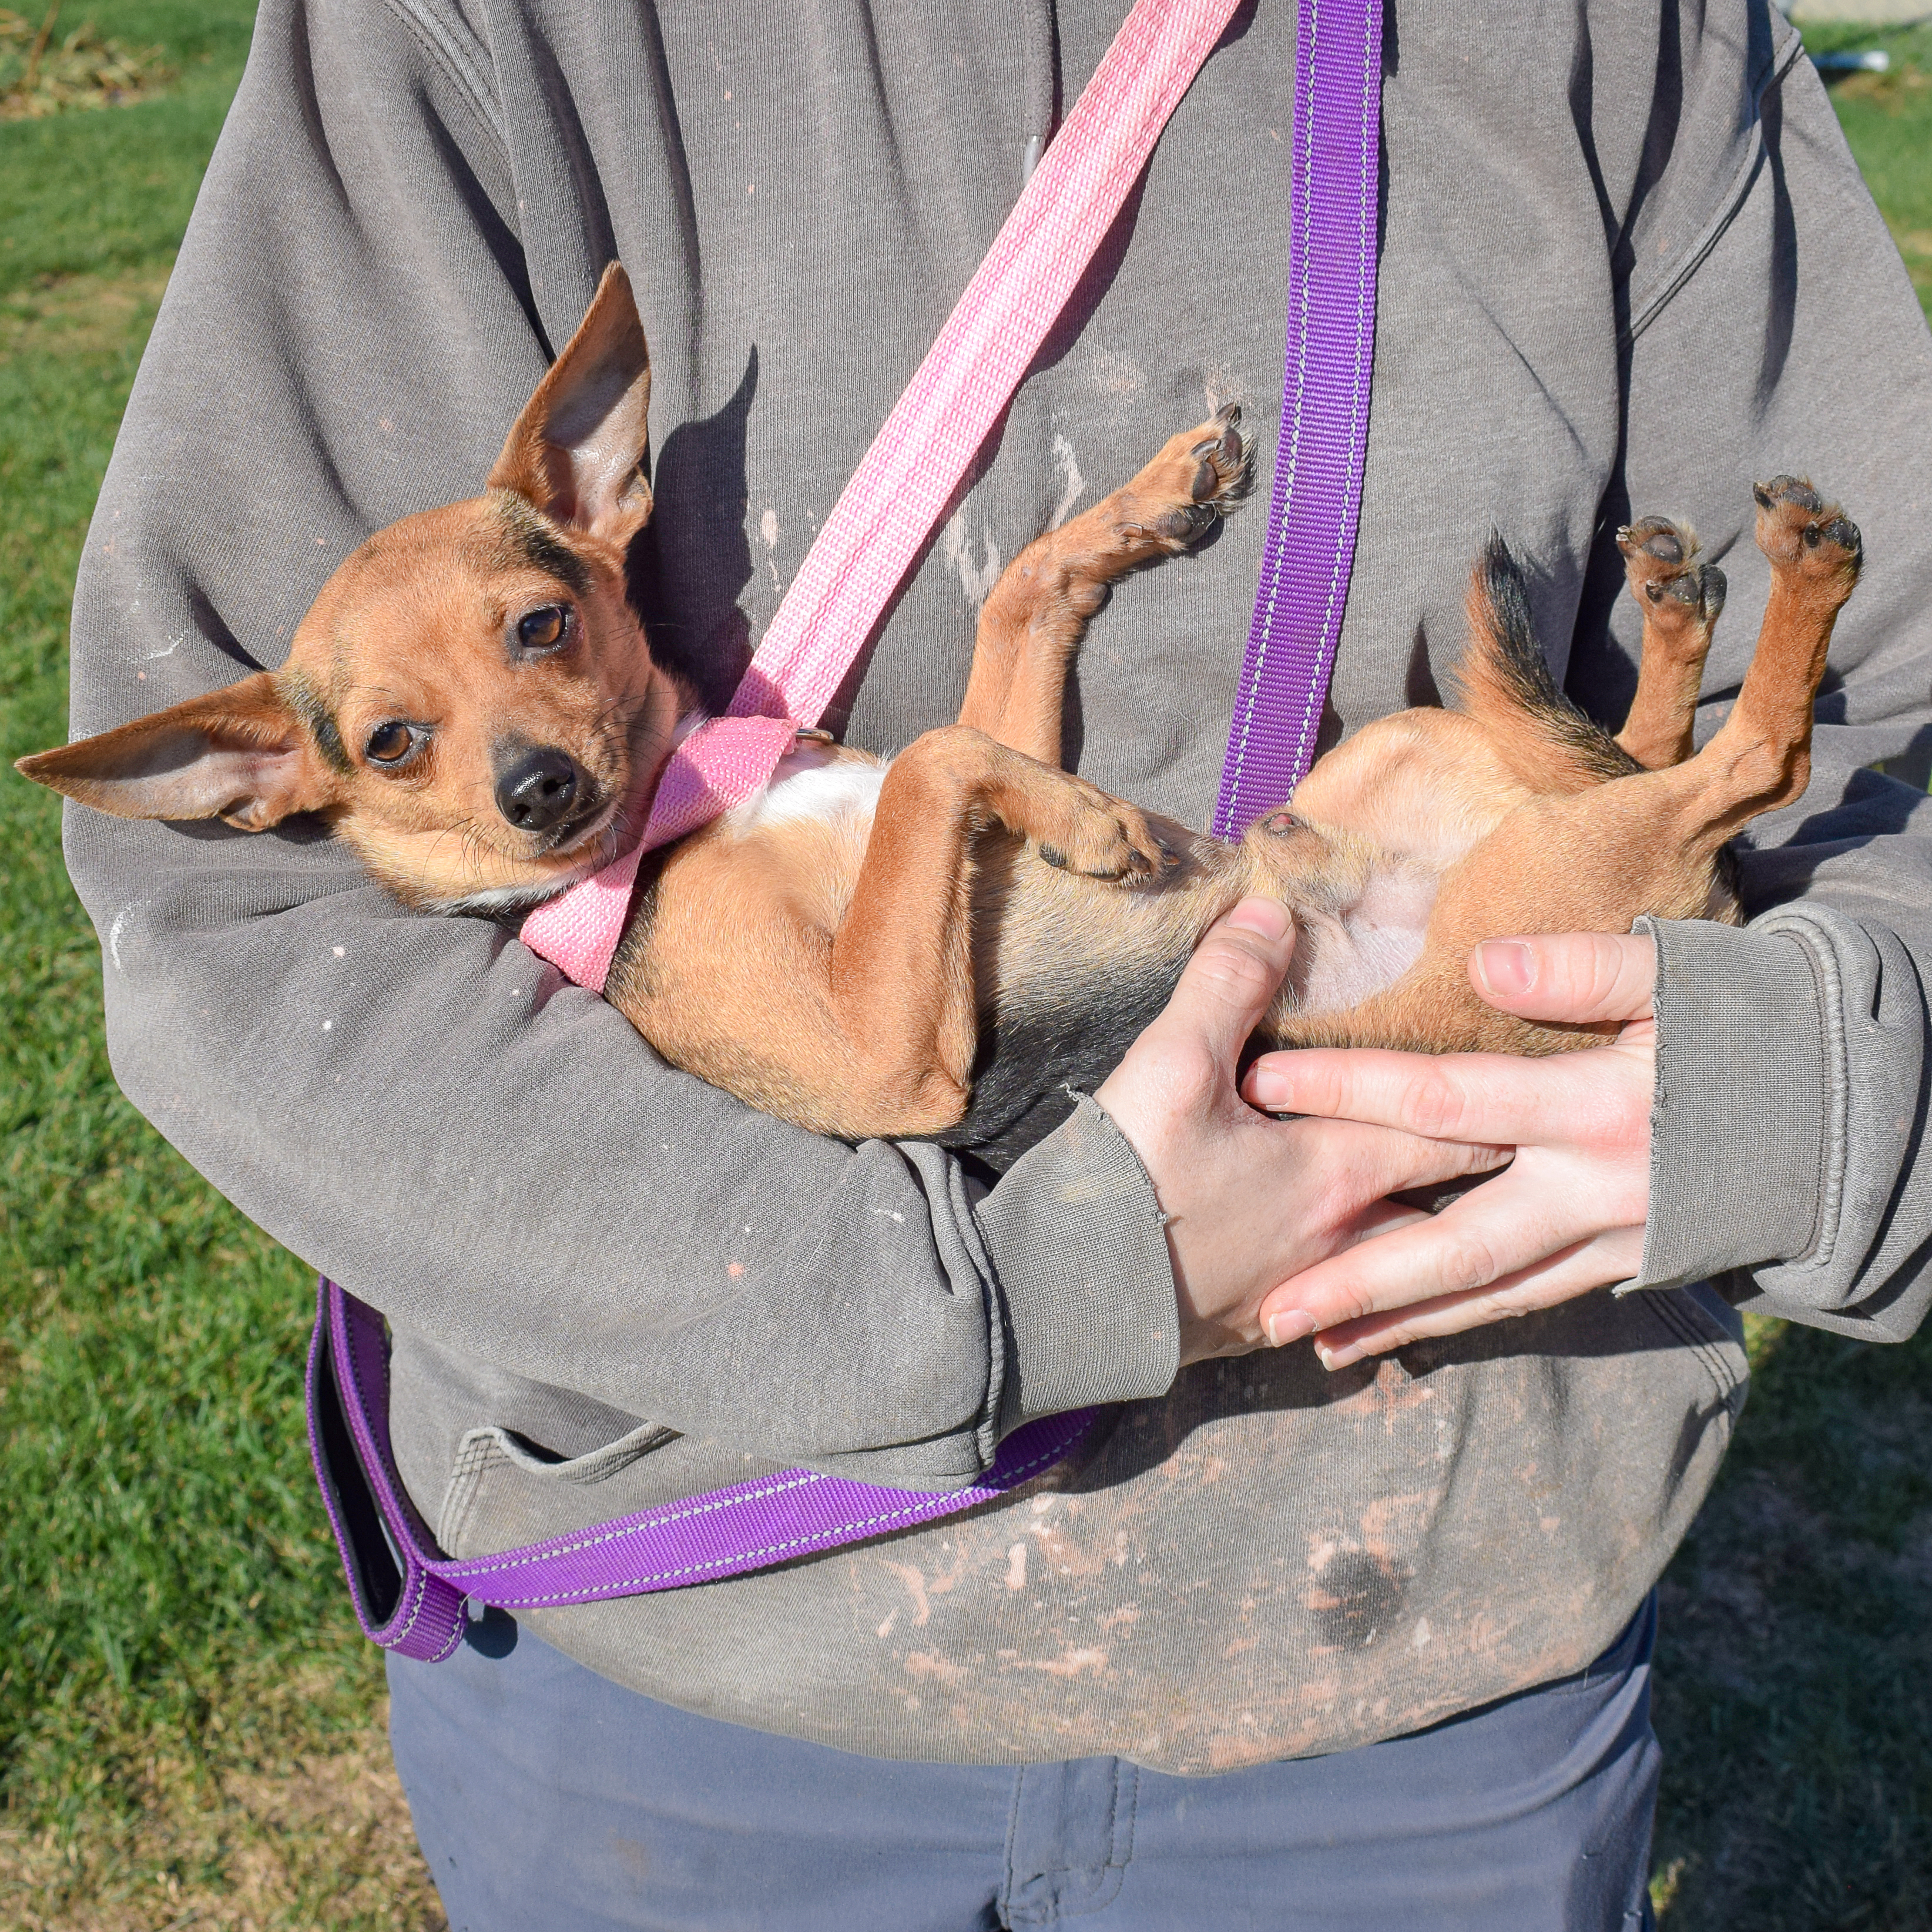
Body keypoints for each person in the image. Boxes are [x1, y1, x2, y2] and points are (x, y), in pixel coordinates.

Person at [60, 0, 1932, 1925]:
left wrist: (1816, 1090)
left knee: (1496, 780)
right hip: (691, 1635)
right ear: (301, 776)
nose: (523, 752)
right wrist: (1038, 1267)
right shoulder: (655, 904)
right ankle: (1698, 723)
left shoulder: (1624, 35)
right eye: (403, 745)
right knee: (1515, 795)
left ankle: (1700, 716)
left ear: (603, 521)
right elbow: (885, 1070)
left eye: (540, 632)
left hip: (1429, 1651)